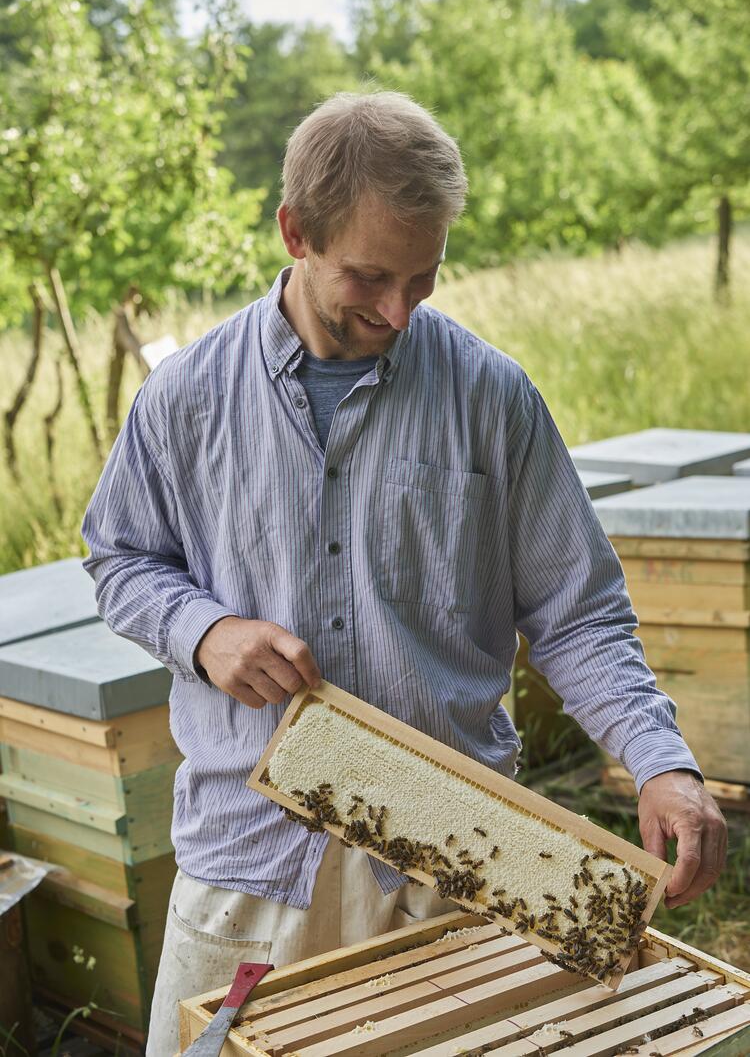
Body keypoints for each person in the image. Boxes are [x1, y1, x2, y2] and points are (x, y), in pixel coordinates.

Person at [81, 91, 727, 1054]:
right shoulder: (185, 399)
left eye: (422, 280)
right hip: (250, 866)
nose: (397, 310)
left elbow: (578, 613)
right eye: (371, 277)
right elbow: (120, 557)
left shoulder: (493, 396)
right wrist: (203, 632)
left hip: (457, 870)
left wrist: (661, 759)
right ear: (296, 231)